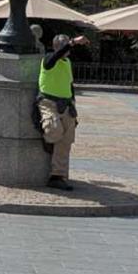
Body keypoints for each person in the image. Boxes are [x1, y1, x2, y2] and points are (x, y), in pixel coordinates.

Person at [37, 34, 88, 190]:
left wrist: (73, 104)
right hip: (49, 102)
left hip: (66, 105)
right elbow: (55, 57)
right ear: (57, 47)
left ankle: (57, 176)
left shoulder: (67, 62)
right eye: (65, 46)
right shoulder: (48, 60)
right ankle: (46, 140)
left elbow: (69, 84)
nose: (68, 50)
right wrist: (72, 42)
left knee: (66, 141)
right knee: (54, 130)